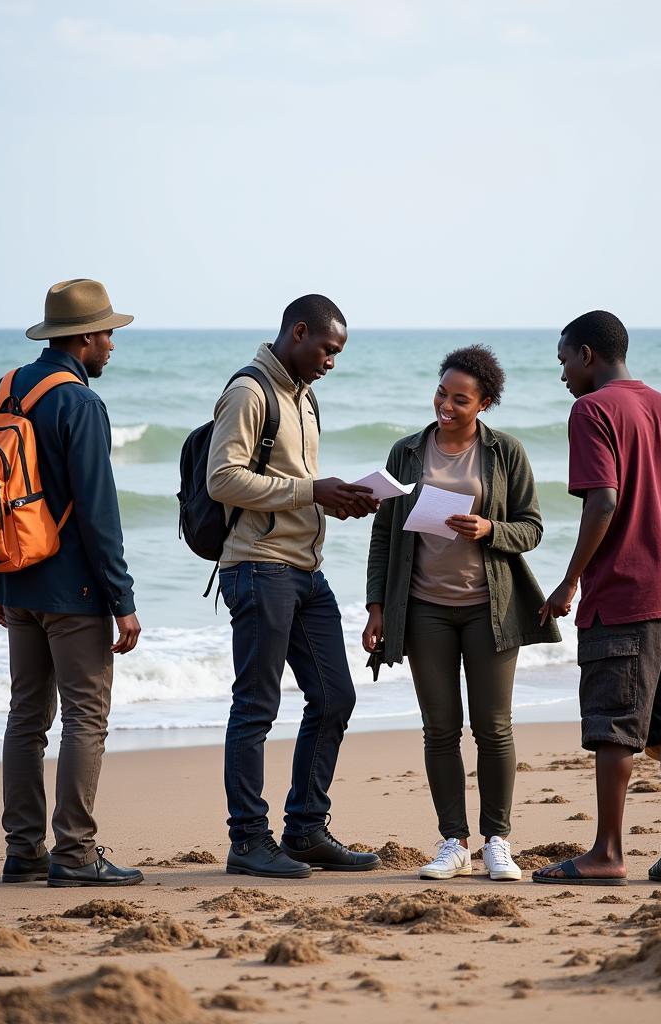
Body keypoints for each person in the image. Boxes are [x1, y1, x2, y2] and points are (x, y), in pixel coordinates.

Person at [363, 345, 561, 881]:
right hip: (423, 608)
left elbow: (533, 528)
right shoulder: (406, 451)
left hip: (489, 610)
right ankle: (454, 841)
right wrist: (376, 607)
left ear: (485, 403)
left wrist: (490, 530)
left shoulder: (506, 453)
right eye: (441, 394)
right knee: (440, 729)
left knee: (493, 728)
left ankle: (498, 840)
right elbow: (384, 536)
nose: (445, 406)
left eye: (460, 399)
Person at [535, 310, 661, 886]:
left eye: (564, 360)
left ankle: (608, 853)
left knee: (614, 723)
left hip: (626, 592)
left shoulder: (591, 410)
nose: (562, 373)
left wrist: (568, 582)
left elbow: (604, 502)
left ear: (588, 354)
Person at [207, 294, 383, 878]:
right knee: (256, 706)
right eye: (328, 349)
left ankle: (305, 831)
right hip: (258, 567)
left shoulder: (304, 397)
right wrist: (313, 491)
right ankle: (248, 841)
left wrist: (340, 500)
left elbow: (293, 485)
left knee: (336, 697)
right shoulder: (250, 391)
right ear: (299, 332)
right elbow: (223, 479)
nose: (333, 361)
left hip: (305, 569)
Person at [0, 278, 143, 888]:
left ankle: (23, 850)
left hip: (15, 581)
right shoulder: (80, 403)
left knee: (26, 716)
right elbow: (99, 510)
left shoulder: (2, 389)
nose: (111, 344)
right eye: (107, 333)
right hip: (72, 590)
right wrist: (122, 601)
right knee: (84, 715)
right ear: (84, 338)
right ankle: (74, 854)